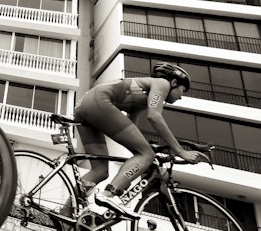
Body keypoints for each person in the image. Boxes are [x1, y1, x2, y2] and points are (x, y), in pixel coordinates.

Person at [72, 62, 209, 218]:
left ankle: (66, 215)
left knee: (100, 171)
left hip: (85, 106)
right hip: (98, 101)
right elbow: (154, 116)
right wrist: (180, 151)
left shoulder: (142, 95)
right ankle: (109, 194)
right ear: (174, 83)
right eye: (182, 91)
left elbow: (130, 129)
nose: (181, 97)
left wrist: (134, 166)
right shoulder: (162, 84)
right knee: (146, 154)